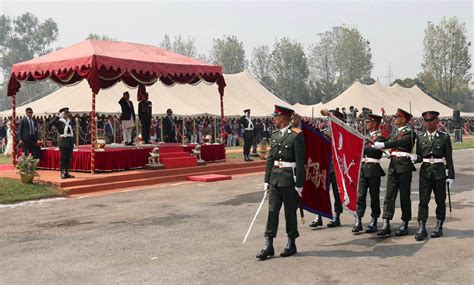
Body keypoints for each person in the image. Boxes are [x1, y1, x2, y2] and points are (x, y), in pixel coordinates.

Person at [257, 105, 305, 260]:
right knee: (272, 211)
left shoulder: (296, 136)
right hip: (275, 180)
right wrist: (266, 180)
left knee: (290, 213)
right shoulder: (275, 135)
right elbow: (270, 159)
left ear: (282, 119)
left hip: (289, 179)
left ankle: (291, 242)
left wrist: (300, 184)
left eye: (275, 117)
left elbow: (300, 161)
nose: (273, 119)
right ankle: (268, 244)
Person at [372, 108, 416, 236]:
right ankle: (386, 223)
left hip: (404, 167)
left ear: (403, 119)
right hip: (393, 165)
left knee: (404, 196)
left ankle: (405, 223)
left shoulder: (410, 133)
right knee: (389, 195)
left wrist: (384, 145)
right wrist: (382, 146)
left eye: (397, 117)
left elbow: (400, 142)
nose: (394, 119)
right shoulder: (395, 132)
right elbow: (390, 142)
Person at [412, 111, 455, 241]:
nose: (429, 123)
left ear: (437, 122)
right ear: (424, 122)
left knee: (440, 200)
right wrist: (415, 158)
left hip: (439, 172)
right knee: (423, 200)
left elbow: (449, 157)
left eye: (431, 120)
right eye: (426, 121)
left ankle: (439, 225)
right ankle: (422, 227)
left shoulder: (444, 137)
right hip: (425, 172)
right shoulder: (420, 137)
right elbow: (420, 156)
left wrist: (451, 175)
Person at [310, 109, 345, 228]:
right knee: (321, 192)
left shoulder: (342, 131)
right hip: (324, 167)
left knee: (336, 193)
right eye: (329, 117)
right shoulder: (324, 129)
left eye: (332, 117)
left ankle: (337, 216)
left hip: (336, 168)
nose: (329, 119)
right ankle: (318, 216)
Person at [352, 114, 386, 233]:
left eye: (368, 122)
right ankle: (358, 219)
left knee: (374, 197)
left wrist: (360, 148)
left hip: (373, 169)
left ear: (375, 123)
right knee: (360, 196)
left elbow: (375, 152)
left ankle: (374, 219)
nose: (366, 124)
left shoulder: (380, 138)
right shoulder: (365, 137)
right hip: (363, 169)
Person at [49, 108, 75, 179]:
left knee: (68, 158)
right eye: (66, 113)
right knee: (63, 158)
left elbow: (72, 131)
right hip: (63, 141)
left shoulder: (69, 121)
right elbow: (50, 124)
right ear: (62, 114)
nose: (67, 114)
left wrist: (73, 141)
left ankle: (67, 172)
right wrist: (57, 117)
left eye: (67, 113)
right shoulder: (59, 121)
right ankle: (62, 173)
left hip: (70, 141)